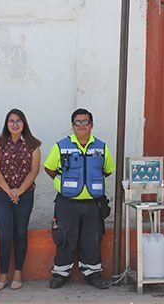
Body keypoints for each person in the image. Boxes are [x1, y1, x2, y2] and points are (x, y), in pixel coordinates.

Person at [43, 108, 115, 289]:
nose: (81, 125)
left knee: (92, 238)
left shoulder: (101, 146)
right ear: (73, 126)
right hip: (67, 202)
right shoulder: (61, 146)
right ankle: (60, 274)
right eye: (78, 122)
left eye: (85, 122)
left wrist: (89, 183)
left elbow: (107, 170)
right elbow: (49, 169)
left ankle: (93, 274)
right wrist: (67, 184)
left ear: (92, 125)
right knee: (65, 238)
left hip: (93, 203)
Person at [0, 109, 42, 291]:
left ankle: (18, 274)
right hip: (1, 194)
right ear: (6, 123)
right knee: (4, 234)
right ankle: (3, 276)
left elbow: (35, 170)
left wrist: (19, 190)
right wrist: (9, 191)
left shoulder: (33, 144)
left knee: (20, 233)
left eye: (18, 121)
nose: (15, 124)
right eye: (11, 121)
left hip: (24, 194)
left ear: (24, 123)